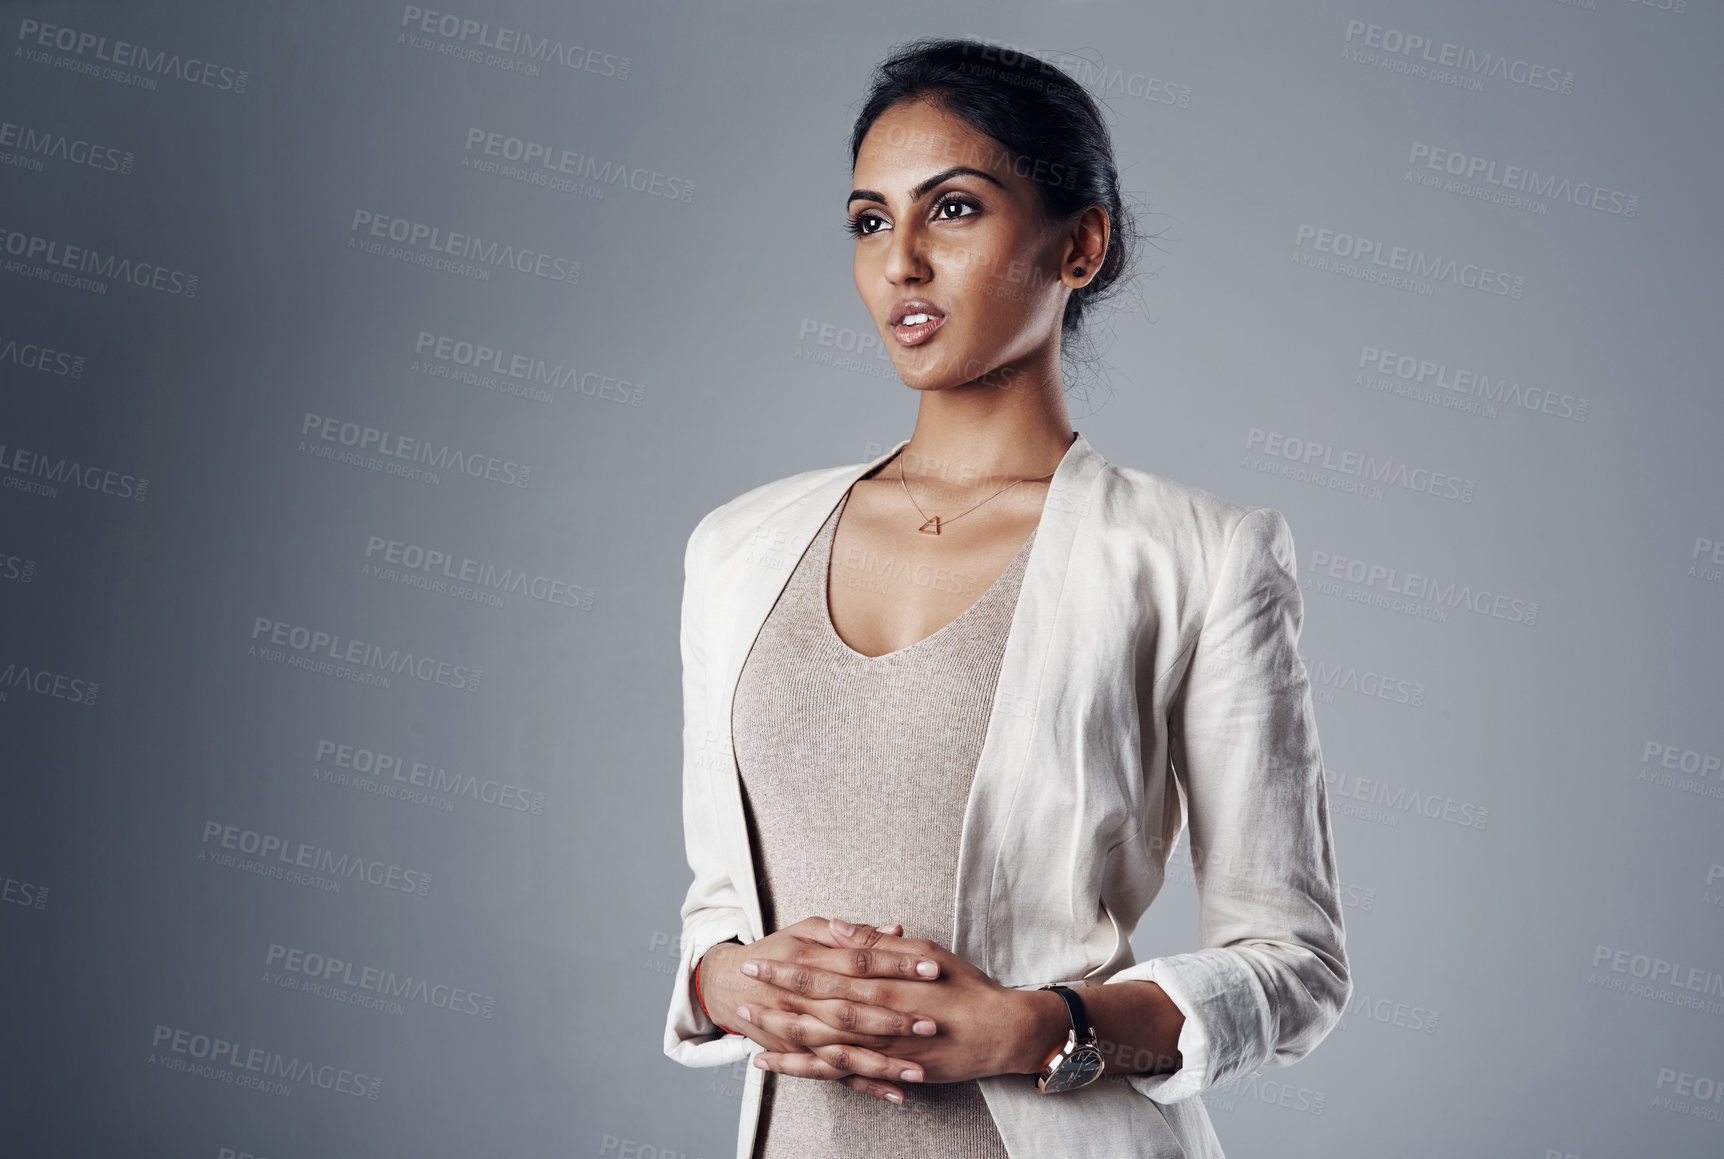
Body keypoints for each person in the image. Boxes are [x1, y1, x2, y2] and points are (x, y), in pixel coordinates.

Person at [664, 36, 1351, 1159]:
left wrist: (1038, 1026)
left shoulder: (1196, 556)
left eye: (952, 211)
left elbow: (1293, 965)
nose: (900, 263)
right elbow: (721, 905)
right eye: (870, 221)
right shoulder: (737, 549)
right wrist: (722, 977)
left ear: (1077, 244)